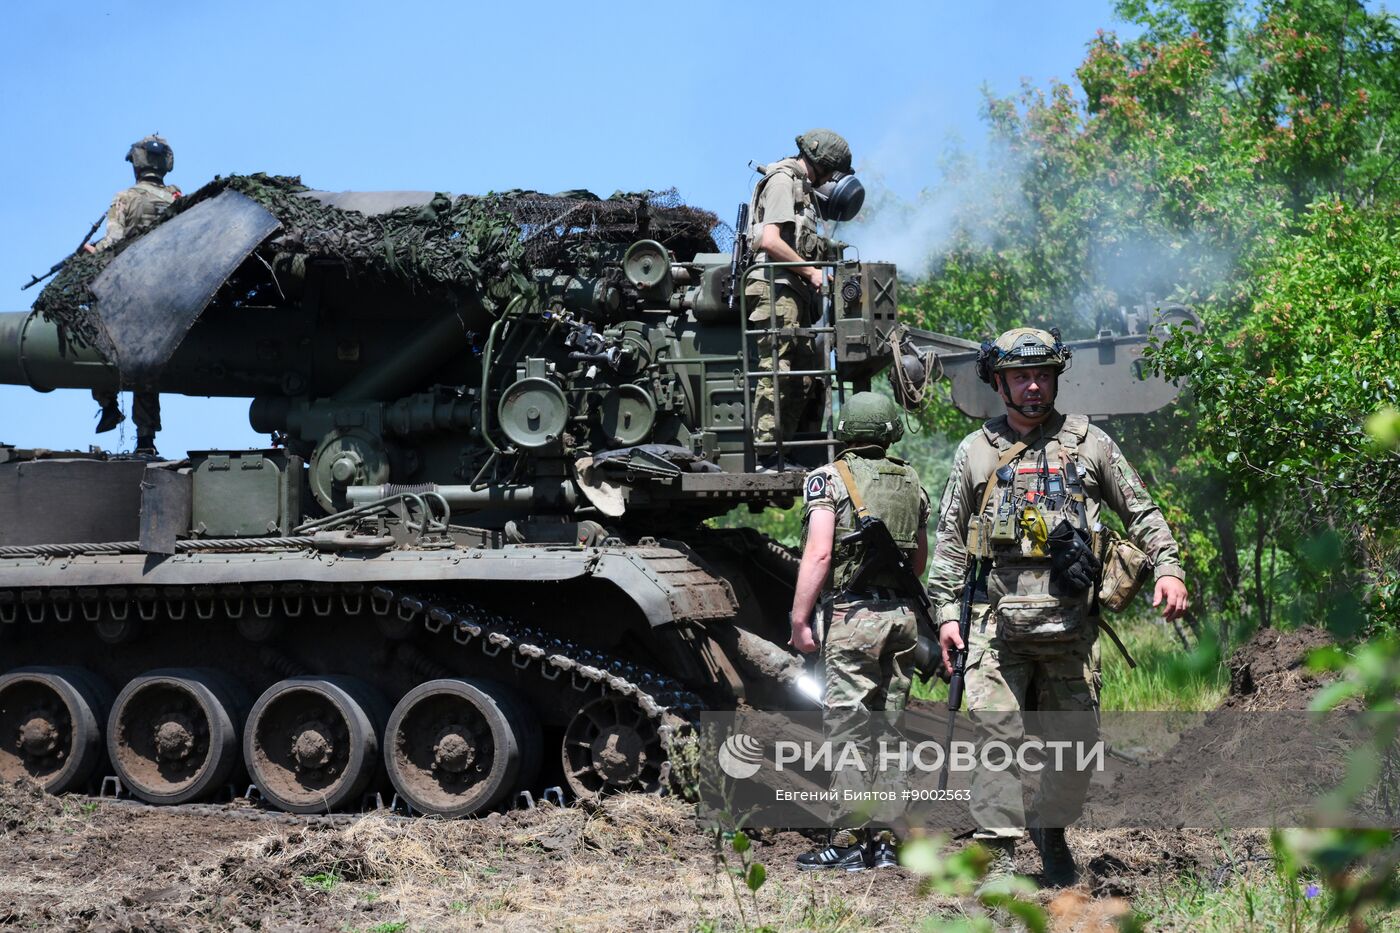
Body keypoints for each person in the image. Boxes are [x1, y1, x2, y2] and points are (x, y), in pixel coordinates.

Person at [927, 327, 1190, 888]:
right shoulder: (976, 451)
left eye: (1042, 375)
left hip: (1071, 627)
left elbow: (1142, 512)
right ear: (999, 383)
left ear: (1056, 379)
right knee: (996, 741)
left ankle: (1049, 827)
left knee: (1077, 750)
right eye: (1021, 376)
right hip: (995, 627)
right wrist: (947, 615)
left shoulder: (1091, 444)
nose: (1033, 386)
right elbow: (949, 539)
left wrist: (1168, 567)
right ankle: (998, 861)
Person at [788, 391, 930, 870]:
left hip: (852, 619)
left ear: (845, 430)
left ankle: (848, 841)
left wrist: (799, 618)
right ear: (891, 431)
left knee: (848, 727)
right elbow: (917, 562)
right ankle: (886, 842)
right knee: (891, 729)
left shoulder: (827, 479)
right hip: (902, 618)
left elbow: (820, 553)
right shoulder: (912, 480)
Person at [746, 129, 854, 470]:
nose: (832, 180)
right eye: (832, 172)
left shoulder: (802, 190)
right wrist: (811, 272)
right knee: (777, 370)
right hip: (775, 288)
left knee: (805, 376)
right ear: (822, 165)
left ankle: (785, 450)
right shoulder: (782, 181)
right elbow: (770, 240)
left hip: (792, 291)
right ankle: (766, 455)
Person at [85, 135, 180, 453]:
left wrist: (91, 251)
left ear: (136, 165)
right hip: (168, 293)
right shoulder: (177, 198)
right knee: (147, 364)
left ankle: (108, 404)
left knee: (95, 340)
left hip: (130, 290)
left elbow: (113, 240)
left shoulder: (125, 197)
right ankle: (146, 440)